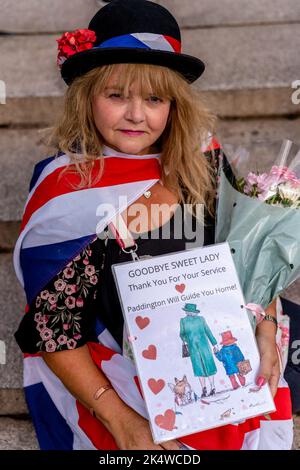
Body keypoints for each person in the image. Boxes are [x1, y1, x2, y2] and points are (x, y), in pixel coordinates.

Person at [13, 0, 293, 450]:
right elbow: (53, 325)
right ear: (87, 96)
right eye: (117, 94)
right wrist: (121, 420)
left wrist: (264, 326)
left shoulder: (202, 161)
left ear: (174, 105)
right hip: (112, 353)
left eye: (155, 98)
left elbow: (248, 256)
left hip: (207, 334)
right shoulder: (66, 191)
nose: (136, 114)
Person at [180, 303, 218, 398]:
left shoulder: (185, 321)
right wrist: (214, 343)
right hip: (201, 346)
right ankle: (209, 388)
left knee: (200, 367)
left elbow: (182, 334)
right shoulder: (198, 319)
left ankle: (207, 388)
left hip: (196, 346)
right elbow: (208, 331)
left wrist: (186, 339)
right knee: (205, 366)